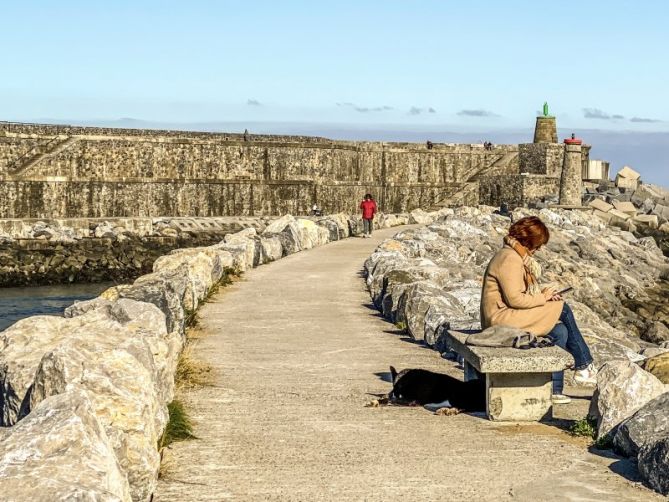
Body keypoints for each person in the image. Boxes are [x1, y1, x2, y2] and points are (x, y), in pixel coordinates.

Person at [480, 216, 597, 404]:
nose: (538, 249)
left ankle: (555, 390)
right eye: (537, 245)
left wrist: (543, 295)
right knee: (562, 309)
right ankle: (584, 364)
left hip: (506, 315)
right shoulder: (510, 259)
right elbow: (516, 299)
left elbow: (517, 294)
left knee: (560, 331)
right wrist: (544, 298)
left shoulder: (514, 255)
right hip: (500, 319)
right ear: (528, 241)